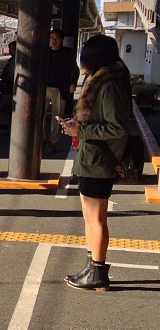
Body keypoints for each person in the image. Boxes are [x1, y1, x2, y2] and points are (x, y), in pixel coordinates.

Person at [61, 35, 131, 290]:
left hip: (99, 160)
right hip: (92, 158)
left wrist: (80, 131)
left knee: (96, 219)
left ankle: (98, 272)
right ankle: (92, 267)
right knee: (91, 218)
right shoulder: (104, 79)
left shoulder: (109, 84)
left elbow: (117, 127)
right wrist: (78, 125)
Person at [45, 28, 80, 152]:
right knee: (39, 115)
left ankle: (52, 142)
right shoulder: (44, 52)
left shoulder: (67, 53)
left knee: (57, 117)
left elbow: (74, 69)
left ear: (61, 40)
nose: (53, 41)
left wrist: (73, 83)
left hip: (60, 89)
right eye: (51, 38)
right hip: (44, 87)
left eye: (56, 38)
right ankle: (40, 139)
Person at [0, 40, 17, 132]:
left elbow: (9, 75)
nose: (10, 50)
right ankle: (9, 125)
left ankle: (10, 126)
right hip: (10, 88)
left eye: (12, 48)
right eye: (10, 48)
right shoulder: (12, 60)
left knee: (10, 108)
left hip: (11, 88)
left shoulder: (15, 61)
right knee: (9, 108)